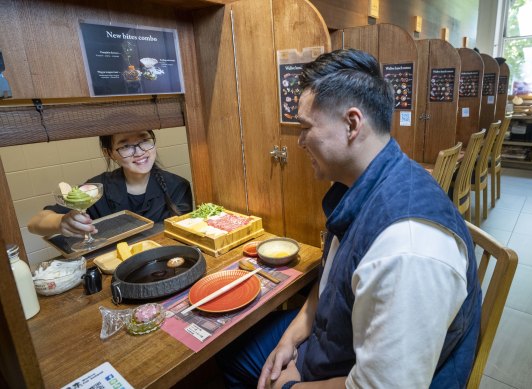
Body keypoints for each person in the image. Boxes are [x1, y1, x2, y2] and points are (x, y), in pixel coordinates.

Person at [217, 49, 481, 389]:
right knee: (229, 347)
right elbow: (331, 281)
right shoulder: (366, 182)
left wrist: (289, 387)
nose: (298, 141)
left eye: (305, 127)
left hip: (354, 375)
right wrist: (292, 338)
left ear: (352, 124)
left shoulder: (408, 249)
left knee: (236, 360)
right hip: (333, 347)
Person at [27, 130, 193, 238]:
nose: (140, 151)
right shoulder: (97, 188)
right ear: (109, 153)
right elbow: (35, 223)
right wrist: (61, 222)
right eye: (125, 146)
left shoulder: (177, 186)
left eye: (144, 140)